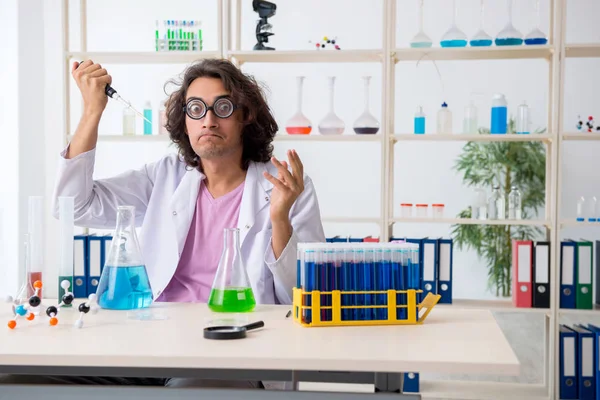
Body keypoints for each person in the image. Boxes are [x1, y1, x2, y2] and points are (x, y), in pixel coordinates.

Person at [0, 58, 325, 388]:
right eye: (196, 108)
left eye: (223, 107)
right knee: (15, 379)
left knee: (190, 390)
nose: (208, 120)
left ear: (245, 116)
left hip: (231, 346)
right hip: (147, 340)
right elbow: (74, 206)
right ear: (185, 122)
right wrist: (92, 111)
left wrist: (280, 219)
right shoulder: (165, 176)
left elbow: (308, 297)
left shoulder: (285, 187)